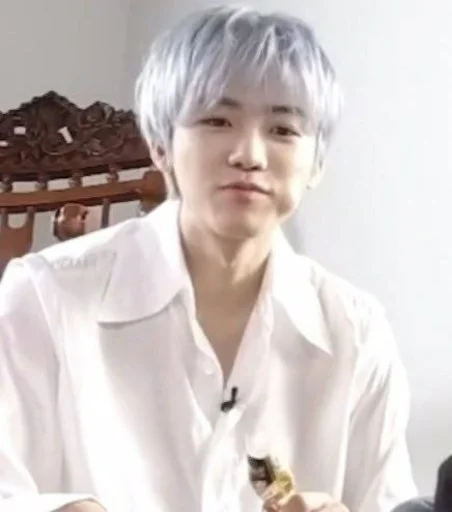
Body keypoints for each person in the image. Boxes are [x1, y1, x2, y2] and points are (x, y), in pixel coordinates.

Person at [0, 5, 418, 512]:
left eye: (283, 129)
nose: (250, 155)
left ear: (317, 163)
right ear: (161, 145)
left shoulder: (357, 332)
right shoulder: (44, 297)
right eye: (217, 120)